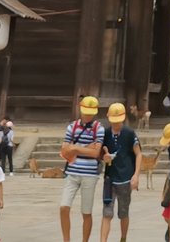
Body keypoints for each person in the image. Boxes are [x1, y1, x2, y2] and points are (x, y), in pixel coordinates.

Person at [59, 95, 114, 242]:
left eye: (90, 112)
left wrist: (75, 148)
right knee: (64, 206)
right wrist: (85, 148)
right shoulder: (72, 127)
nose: (87, 115)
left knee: (86, 212)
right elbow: (64, 150)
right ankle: (66, 239)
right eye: (85, 112)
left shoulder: (99, 129)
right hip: (72, 172)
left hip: (90, 175)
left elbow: (96, 152)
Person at [99, 102, 141, 242]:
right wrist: (103, 157)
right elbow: (99, 153)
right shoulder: (104, 133)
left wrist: (136, 175)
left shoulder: (129, 133)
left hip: (125, 178)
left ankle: (123, 238)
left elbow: (138, 154)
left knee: (123, 213)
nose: (116, 124)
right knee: (107, 212)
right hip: (110, 179)